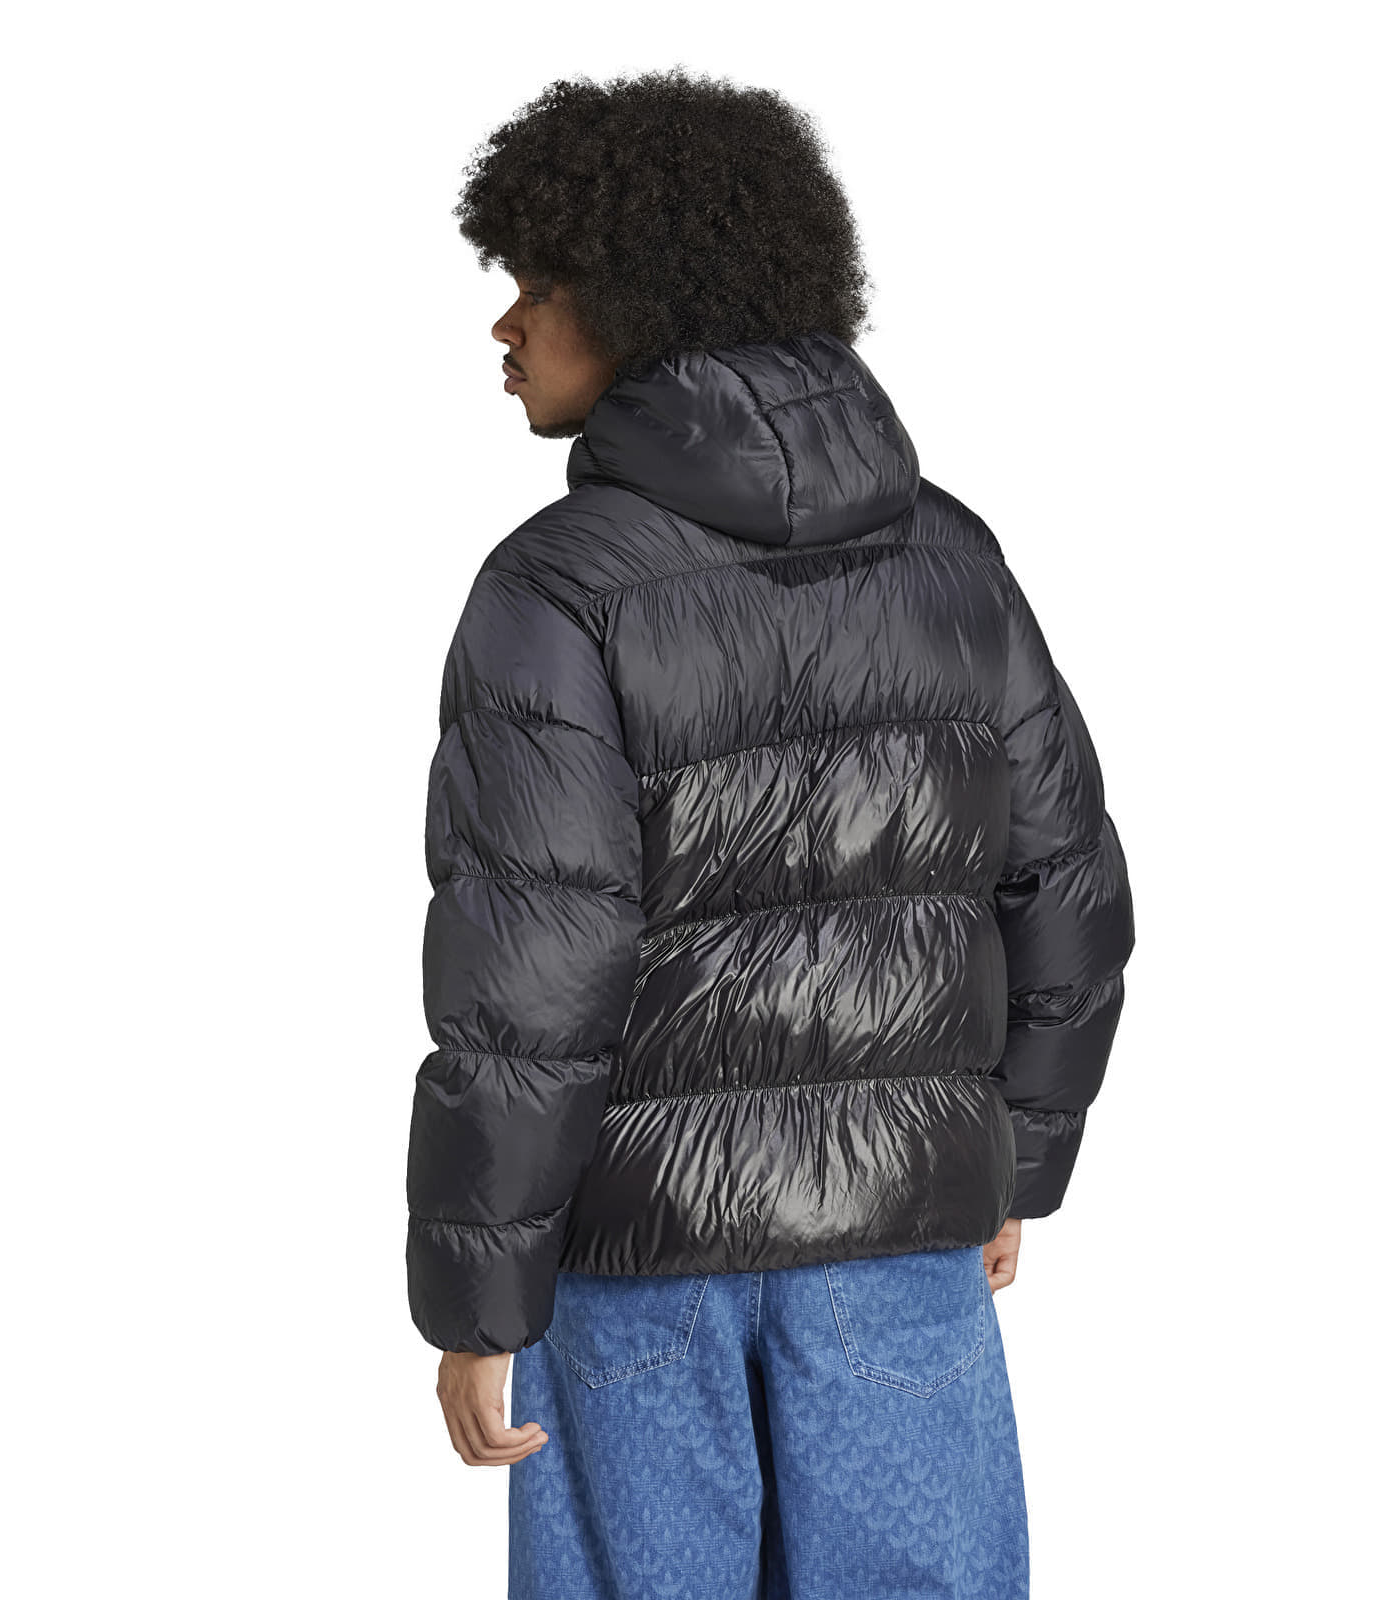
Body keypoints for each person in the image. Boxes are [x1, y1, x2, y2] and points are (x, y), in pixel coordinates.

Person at [405, 67, 1136, 1600]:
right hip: (902, 1245)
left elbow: (533, 976)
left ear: (639, 301)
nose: (505, 325)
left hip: (640, 1271)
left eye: (537, 284)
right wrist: (1012, 1161)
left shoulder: (557, 591)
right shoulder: (952, 558)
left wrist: (479, 1300)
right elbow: (1069, 890)